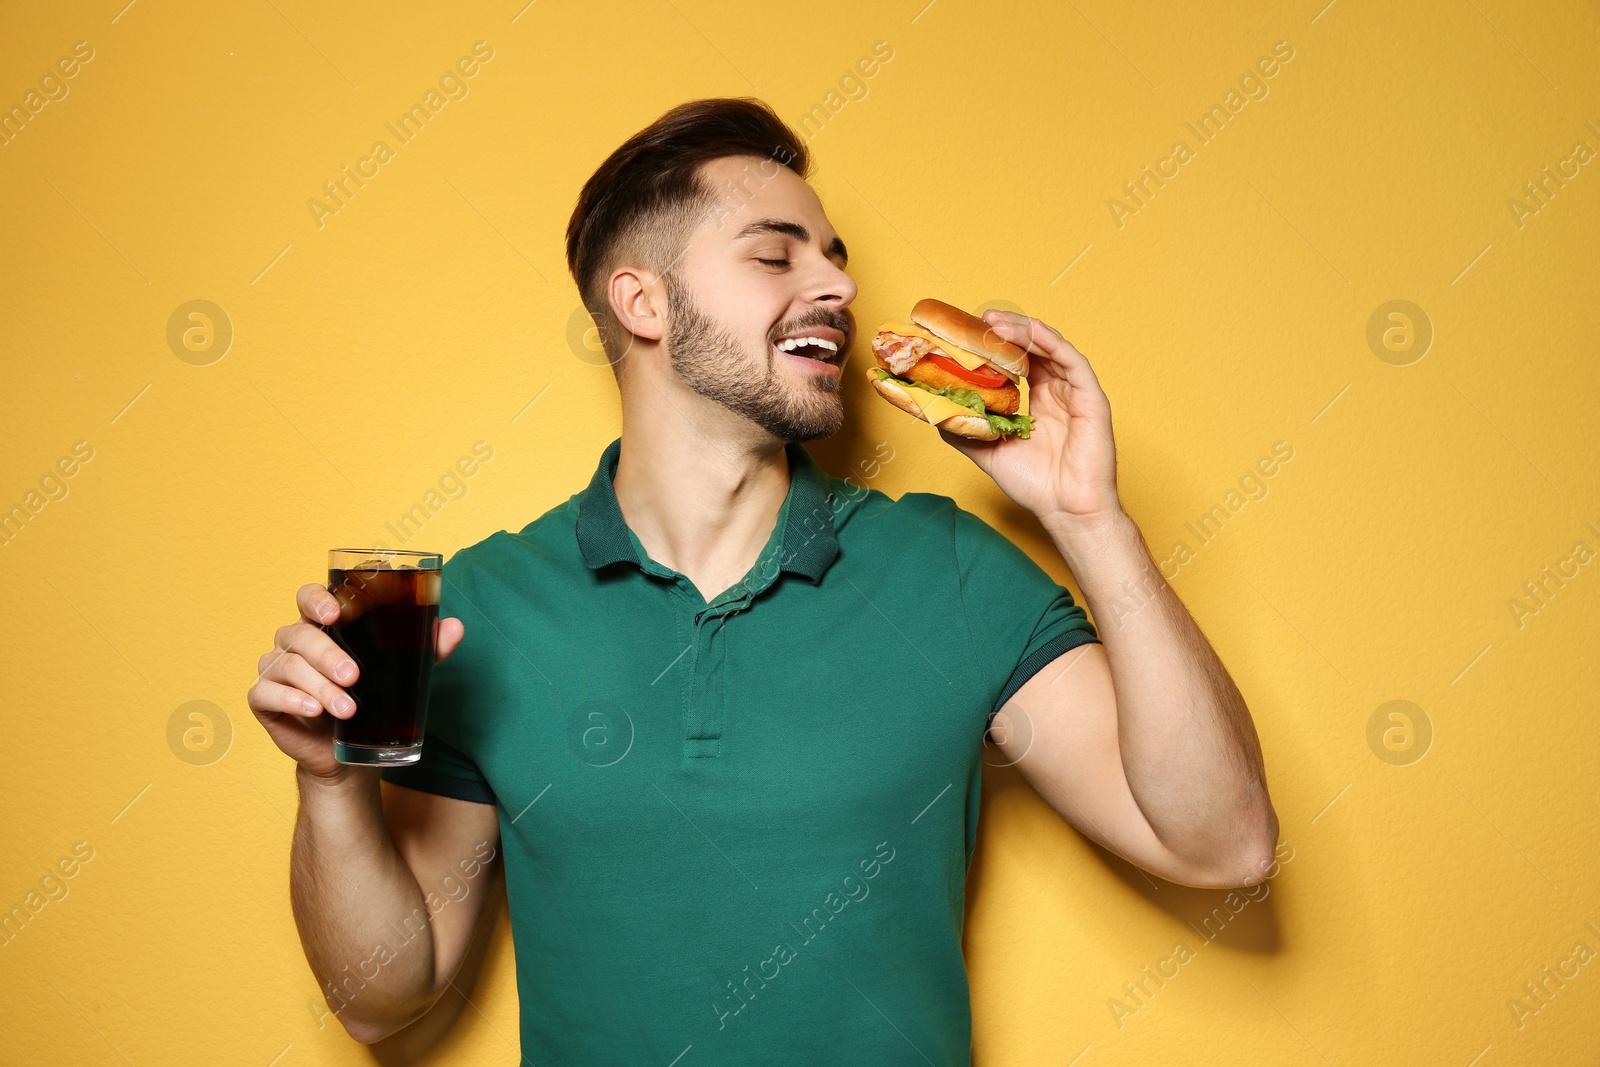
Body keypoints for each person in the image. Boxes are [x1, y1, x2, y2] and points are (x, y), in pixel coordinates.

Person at [247, 96, 1279, 1064]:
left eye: (835, 258)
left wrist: (1086, 515)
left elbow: (1222, 844)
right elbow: (386, 997)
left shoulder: (949, 570)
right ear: (641, 300)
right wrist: (329, 783)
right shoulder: (485, 608)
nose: (836, 286)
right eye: (774, 255)